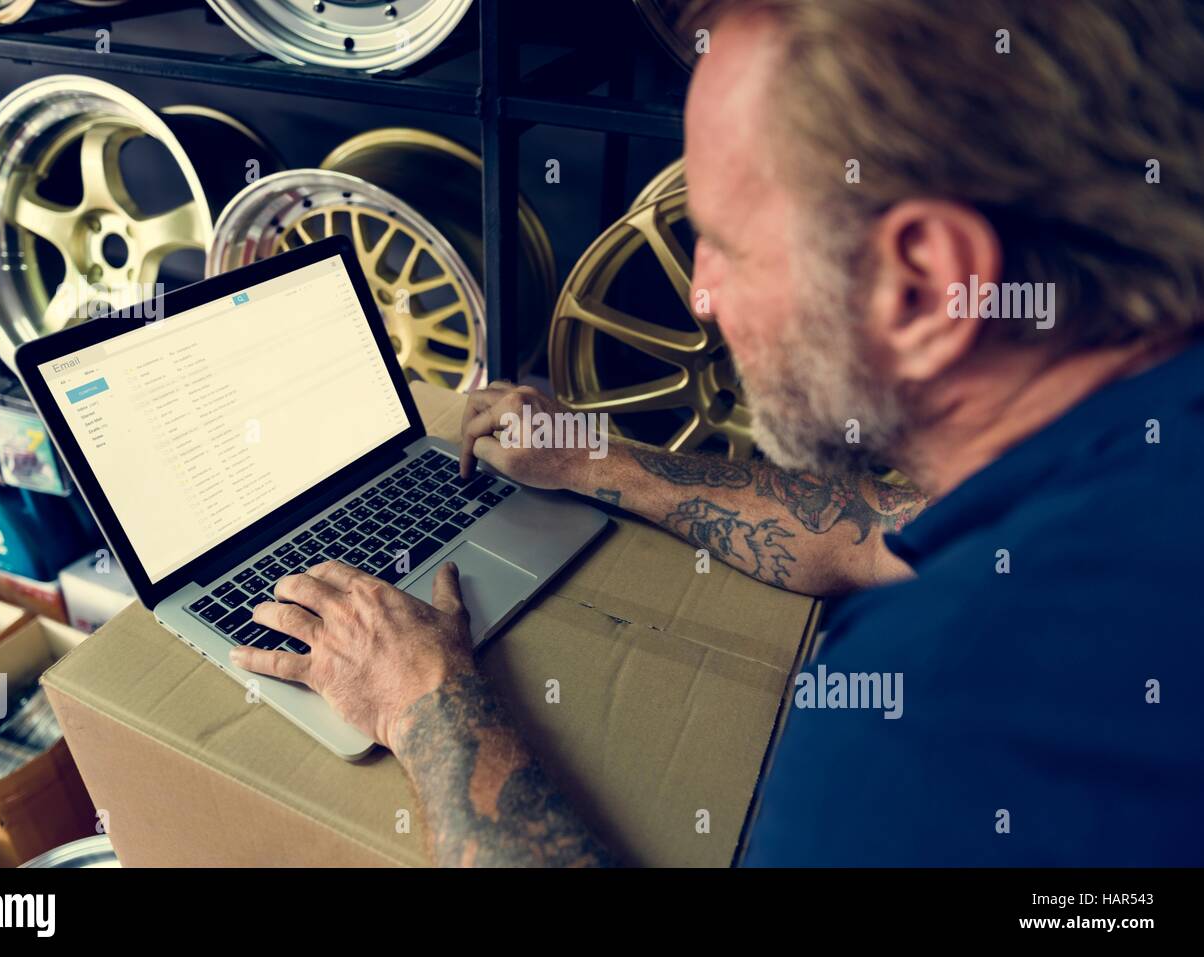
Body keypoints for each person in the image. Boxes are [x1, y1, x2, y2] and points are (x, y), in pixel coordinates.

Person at [231, 0, 1204, 865]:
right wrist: (595, 461)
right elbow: (883, 531)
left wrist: (425, 701)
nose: (698, 296)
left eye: (727, 247)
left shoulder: (946, 726)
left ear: (922, 283)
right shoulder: (1132, 462)